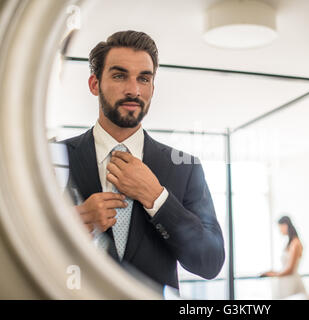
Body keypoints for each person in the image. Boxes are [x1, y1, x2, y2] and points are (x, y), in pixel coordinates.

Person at [62, 30, 225, 291]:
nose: (134, 90)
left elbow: (209, 262)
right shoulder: (53, 159)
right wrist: (74, 221)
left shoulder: (185, 168)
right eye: (119, 76)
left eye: (144, 79)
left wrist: (157, 198)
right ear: (94, 84)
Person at [261, 216, 307, 299]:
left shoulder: (295, 243)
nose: (279, 231)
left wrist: (273, 274)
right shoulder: (290, 243)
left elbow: (290, 269)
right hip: (286, 281)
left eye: (280, 227)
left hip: (290, 282)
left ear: (285, 225)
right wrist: (274, 272)